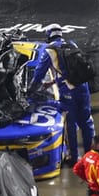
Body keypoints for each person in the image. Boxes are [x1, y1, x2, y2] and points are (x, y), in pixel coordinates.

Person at [27, 24, 95, 161]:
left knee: (70, 124)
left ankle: (74, 157)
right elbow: (72, 69)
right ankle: (92, 155)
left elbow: (39, 74)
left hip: (68, 91)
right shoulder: (72, 44)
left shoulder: (49, 50)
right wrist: (52, 83)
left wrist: (31, 90)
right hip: (83, 87)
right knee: (86, 121)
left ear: (48, 36)